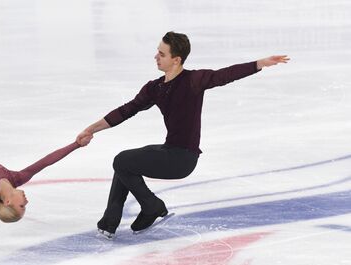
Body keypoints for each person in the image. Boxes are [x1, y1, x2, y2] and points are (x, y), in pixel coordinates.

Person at [77, 31, 289, 239]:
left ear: (176, 60)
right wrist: (90, 130)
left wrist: (259, 63)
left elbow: (225, 75)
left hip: (183, 158)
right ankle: (109, 223)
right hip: (169, 150)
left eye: (161, 53)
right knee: (124, 163)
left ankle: (152, 206)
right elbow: (126, 110)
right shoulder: (155, 87)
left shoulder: (193, 80)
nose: (156, 56)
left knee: (122, 160)